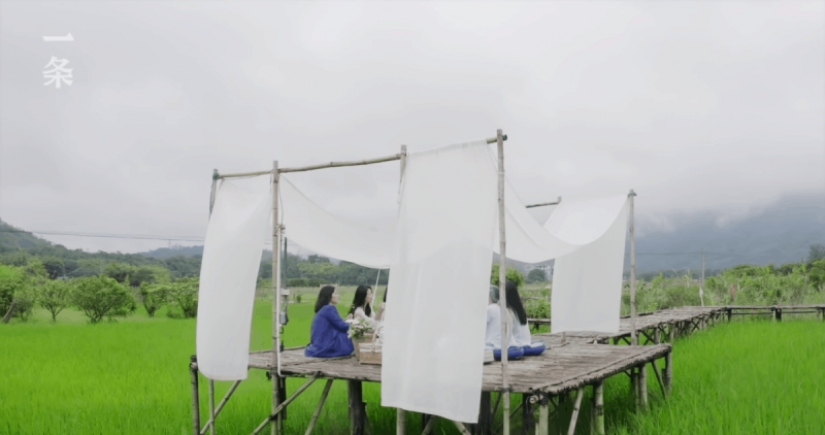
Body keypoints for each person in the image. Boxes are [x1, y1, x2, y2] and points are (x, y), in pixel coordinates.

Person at [305, 286, 354, 358]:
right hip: (326, 346)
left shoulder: (323, 309)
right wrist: (351, 323)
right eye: (336, 294)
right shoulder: (329, 308)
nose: (338, 296)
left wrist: (345, 322)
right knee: (350, 334)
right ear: (329, 296)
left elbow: (337, 324)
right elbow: (343, 326)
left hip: (318, 345)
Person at [504, 280, 546, 356]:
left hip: (517, 345)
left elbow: (508, 334)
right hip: (527, 343)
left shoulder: (509, 310)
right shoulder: (520, 309)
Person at [486, 285, 524, 361]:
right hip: (506, 346)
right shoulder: (504, 309)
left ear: (490, 296)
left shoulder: (490, 308)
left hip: (494, 347)